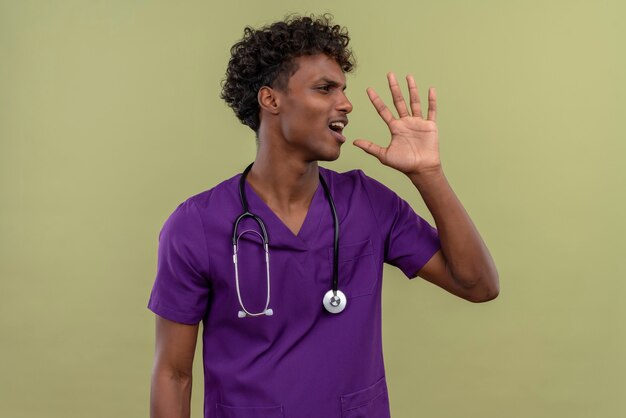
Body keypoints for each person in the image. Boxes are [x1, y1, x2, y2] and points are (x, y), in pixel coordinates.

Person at [148, 14, 499, 418]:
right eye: (325, 89)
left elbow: (478, 286)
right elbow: (173, 375)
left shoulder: (367, 203)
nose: (346, 104)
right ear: (271, 100)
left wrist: (428, 174)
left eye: (343, 90)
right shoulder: (195, 225)